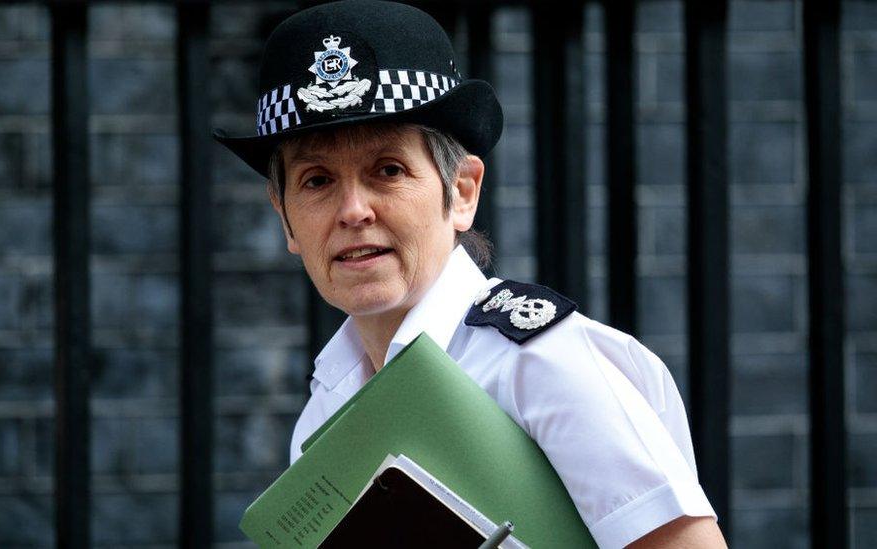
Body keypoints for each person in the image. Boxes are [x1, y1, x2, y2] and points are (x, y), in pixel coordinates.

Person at [214, 1, 727, 547]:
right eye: (317, 181)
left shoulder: (542, 363)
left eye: (388, 171)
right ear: (286, 218)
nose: (353, 210)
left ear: (461, 193)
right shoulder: (325, 411)